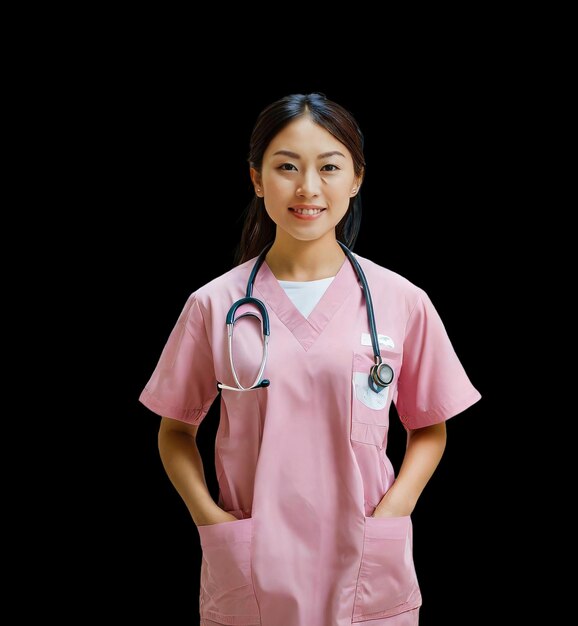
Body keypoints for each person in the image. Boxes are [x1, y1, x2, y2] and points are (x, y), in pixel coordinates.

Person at [139, 92, 481, 626]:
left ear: (357, 178)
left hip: (366, 563)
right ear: (256, 179)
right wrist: (209, 518)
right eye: (286, 167)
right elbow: (175, 431)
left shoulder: (400, 301)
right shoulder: (214, 305)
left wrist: (395, 511)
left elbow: (430, 426)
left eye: (328, 167)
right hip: (254, 569)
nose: (308, 188)